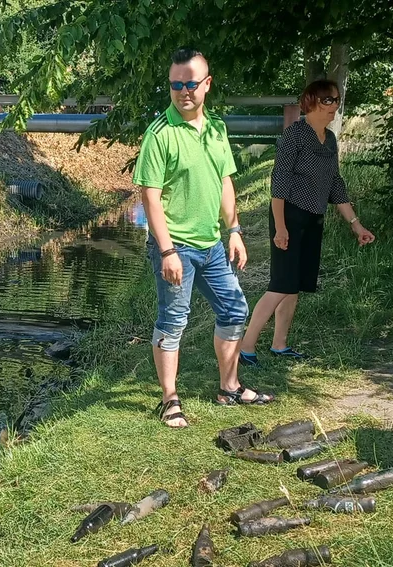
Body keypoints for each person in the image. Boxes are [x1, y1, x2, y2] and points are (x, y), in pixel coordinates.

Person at [134, 47, 273, 429]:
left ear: (206, 85)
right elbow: (150, 196)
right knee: (174, 319)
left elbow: (225, 181)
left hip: (212, 244)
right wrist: (166, 251)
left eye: (191, 83)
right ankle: (169, 399)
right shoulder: (159, 134)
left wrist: (234, 230)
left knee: (234, 309)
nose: (183, 91)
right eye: (176, 84)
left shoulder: (216, 128)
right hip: (175, 245)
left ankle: (229, 387)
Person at [238, 79, 375, 366]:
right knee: (280, 283)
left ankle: (279, 345)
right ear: (311, 102)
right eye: (328, 100)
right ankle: (245, 347)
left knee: (294, 285)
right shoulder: (294, 135)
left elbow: (335, 184)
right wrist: (280, 227)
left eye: (336, 100)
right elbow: (280, 183)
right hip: (288, 216)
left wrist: (356, 224)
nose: (334, 106)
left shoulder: (331, 139)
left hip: (313, 219)